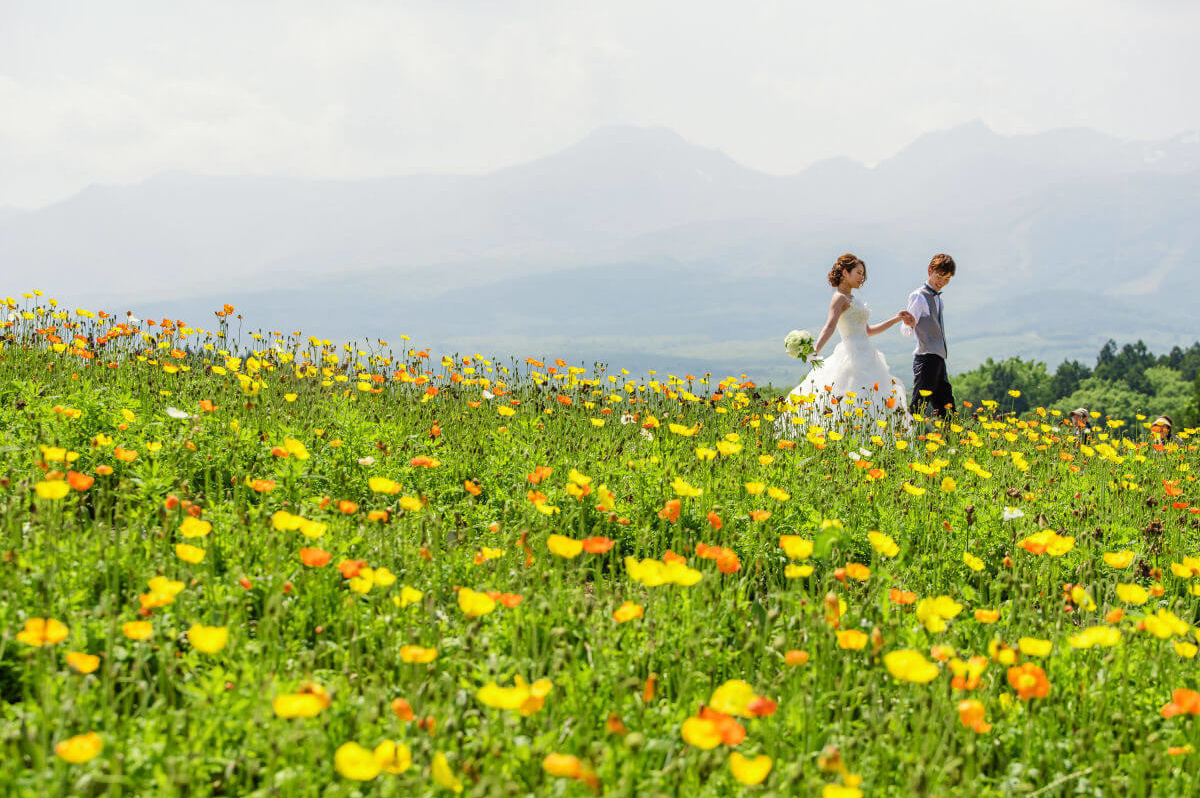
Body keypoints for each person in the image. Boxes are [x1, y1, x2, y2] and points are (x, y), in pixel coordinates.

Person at [776, 254, 914, 435]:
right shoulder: (839, 298)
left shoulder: (854, 299)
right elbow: (830, 326)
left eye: (863, 274)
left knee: (874, 399)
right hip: (851, 355)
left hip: (869, 355)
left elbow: (868, 331)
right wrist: (815, 350)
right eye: (858, 273)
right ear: (844, 273)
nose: (861, 278)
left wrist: (896, 319)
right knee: (850, 396)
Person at [902, 254, 956, 417]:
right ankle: (905, 438)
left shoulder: (938, 299)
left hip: (938, 359)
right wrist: (909, 324)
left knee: (947, 406)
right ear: (929, 271)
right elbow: (905, 330)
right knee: (919, 404)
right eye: (939, 277)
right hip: (925, 359)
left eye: (947, 279)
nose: (942, 282)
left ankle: (952, 440)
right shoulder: (919, 296)